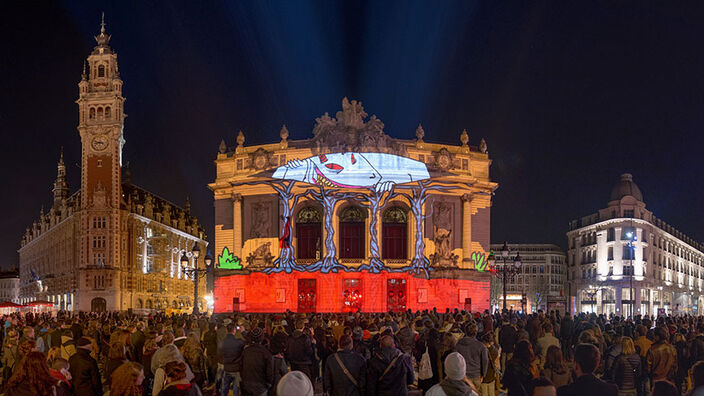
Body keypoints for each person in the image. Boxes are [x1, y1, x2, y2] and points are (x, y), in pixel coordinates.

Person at [456, 322, 488, 393]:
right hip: (476, 375)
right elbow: (485, 361)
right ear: (476, 332)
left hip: (463, 376)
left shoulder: (458, 344)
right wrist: (483, 374)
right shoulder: (481, 346)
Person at [241, 327, 274, 396]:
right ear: (262, 338)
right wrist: (269, 383)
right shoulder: (266, 353)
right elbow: (269, 372)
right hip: (260, 386)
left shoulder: (246, 351)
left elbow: (241, 367)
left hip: (247, 384)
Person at [219, 322, 245, 396]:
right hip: (236, 368)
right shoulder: (239, 342)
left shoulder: (222, 342)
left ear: (227, 331)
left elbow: (219, 354)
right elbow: (248, 341)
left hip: (227, 368)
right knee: (236, 390)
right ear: (234, 330)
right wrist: (243, 332)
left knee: (225, 389)